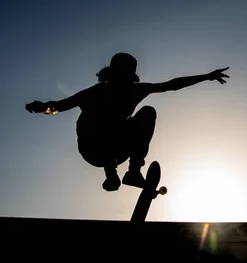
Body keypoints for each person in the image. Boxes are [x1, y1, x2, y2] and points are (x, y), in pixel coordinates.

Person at [25, 53, 230, 192]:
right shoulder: (95, 92)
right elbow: (60, 106)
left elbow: (171, 85)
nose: (121, 83)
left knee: (148, 112)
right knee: (97, 115)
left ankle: (133, 172)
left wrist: (206, 76)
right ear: (111, 75)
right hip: (92, 148)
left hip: (118, 149)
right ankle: (111, 174)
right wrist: (43, 107)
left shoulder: (136, 91)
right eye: (118, 77)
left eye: (125, 78)